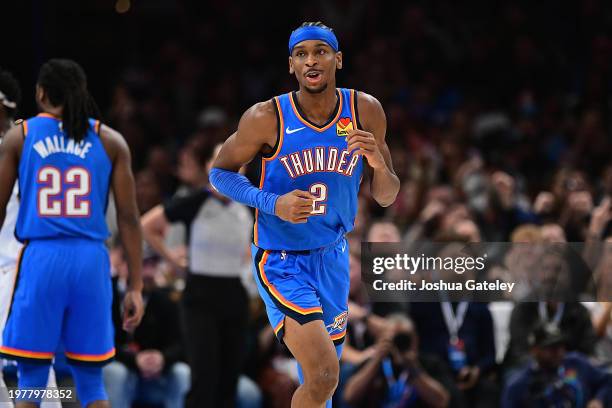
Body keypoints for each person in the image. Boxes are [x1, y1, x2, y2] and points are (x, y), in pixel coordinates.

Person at [210, 21, 400, 407]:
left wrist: (379, 164)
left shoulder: (365, 110)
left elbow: (386, 196)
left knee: (321, 387)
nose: (311, 60)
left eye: (320, 51)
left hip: (333, 257)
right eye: (301, 54)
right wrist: (272, 202)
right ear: (291, 66)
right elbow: (219, 173)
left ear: (338, 59)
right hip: (281, 260)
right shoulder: (266, 117)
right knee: (325, 372)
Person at [0, 59, 144, 407]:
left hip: (42, 258)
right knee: (92, 383)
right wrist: (136, 287)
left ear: (40, 93)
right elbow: (129, 218)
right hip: (91, 262)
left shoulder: (20, 136)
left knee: (31, 378)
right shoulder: (111, 141)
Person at [141, 142, 254, 407]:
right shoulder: (196, 201)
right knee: (204, 379)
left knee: (229, 382)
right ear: (210, 166)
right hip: (200, 296)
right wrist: (172, 259)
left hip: (235, 295)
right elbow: (147, 225)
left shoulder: (248, 206)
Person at [342, 315, 451, 408]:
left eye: (403, 339)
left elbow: (442, 401)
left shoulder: (429, 364)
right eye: (394, 339)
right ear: (380, 338)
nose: (399, 344)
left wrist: (414, 368)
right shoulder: (372, 364)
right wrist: (376, 360)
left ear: (415, 339)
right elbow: (349, 397)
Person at [502, 323, 612, 408]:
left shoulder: (576, 362)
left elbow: (607, 381)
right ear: (534, 350)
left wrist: (599, 400)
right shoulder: (519, 385)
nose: (559, 353)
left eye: (561, 346)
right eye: (552, 348)